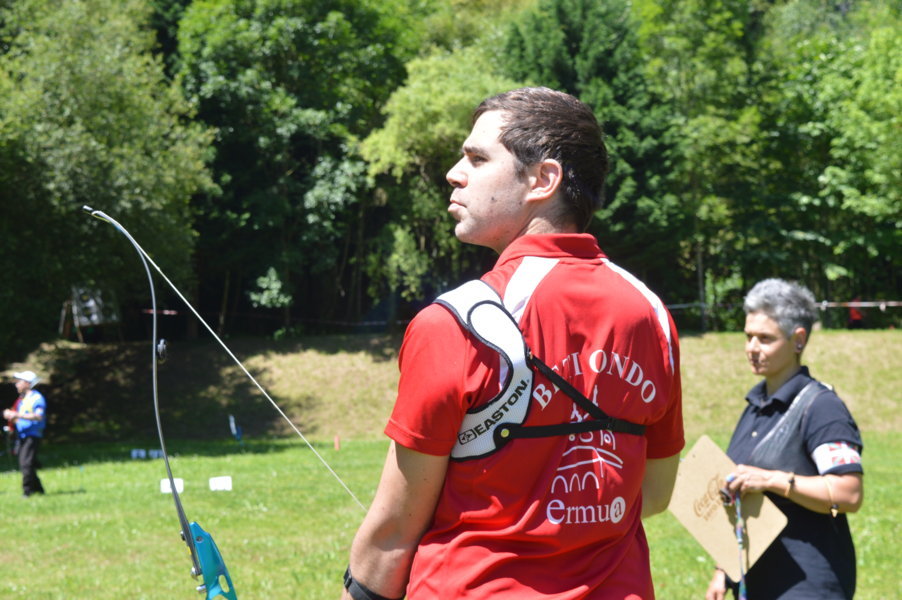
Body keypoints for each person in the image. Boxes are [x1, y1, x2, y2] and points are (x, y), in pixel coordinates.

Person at [343, 87, 683, 600]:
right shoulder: (651, 314)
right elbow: (654, 494)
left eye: (477, 159)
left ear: (543, 180)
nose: (454, 173)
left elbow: (393, 531)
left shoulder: (454, 322)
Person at [705, 279, 863, 600]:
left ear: (798, 340)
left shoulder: (822, 407)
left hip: (808, 584)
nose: (752, 348)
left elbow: (849, 493)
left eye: (765, 338)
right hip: (757, 583)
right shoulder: (755, 406)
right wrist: (723, 570)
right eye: (748, 336)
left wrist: (772, 480)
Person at [4, 370, 47, 497]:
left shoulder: (37, 398)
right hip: (22, 435)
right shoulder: (22, 399)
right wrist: (11, 416)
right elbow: (20, 418)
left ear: (27, 383)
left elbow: (38, 416)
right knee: (28, 463)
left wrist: (17, 415)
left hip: (32, 435)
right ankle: (39, 489)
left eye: (19, 381)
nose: (16, 384)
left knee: (26, 464)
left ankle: (27, 491)